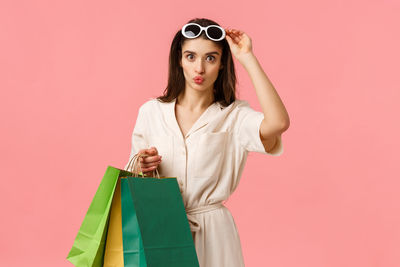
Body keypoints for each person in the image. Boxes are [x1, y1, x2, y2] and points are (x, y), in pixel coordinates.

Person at [124, 17, 290, 267]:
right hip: (161, 229)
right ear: (179, 59)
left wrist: (247, 58)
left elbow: (278, 123)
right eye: (191, 56)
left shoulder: (234, 116)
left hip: (214, 235)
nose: (199, 68)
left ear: (222, 64)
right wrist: (142, 166)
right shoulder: (151, 112)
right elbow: (132, 178)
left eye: (210, 58)